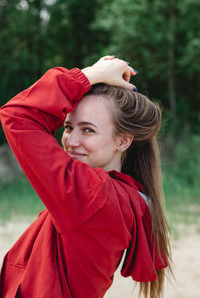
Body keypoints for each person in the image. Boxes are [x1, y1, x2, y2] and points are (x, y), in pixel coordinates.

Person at [0, 56, 171, 298]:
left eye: (88, 129)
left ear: (123, 141)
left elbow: (18, 115)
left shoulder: (95, 196)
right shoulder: (119, 196)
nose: (72, 141)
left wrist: (89, 74)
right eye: (69, 127)